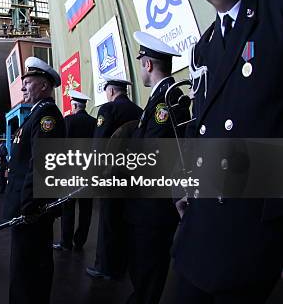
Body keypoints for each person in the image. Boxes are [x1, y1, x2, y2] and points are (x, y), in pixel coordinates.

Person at [163, 0, 283, 303]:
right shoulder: (204, 48)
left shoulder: (275, 11)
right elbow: (204, 123)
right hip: (201, 224)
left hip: (255, 224)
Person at [123, 32, 190, 304]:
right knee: (142, 265)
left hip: (155, 206)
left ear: (148, 65)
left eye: (141, 63)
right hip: (147, 204)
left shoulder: (165, 102)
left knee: (149, 268)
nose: (141, 69)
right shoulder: (159, 98)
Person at [3, 57, 65, 304]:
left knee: (29, 269)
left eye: (27, 82)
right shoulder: (36, 114)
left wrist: (28, 206)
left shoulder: (47, 116)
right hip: (26, 207)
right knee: (23, 267)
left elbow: (42, 165)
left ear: (43, 86)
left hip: (31, 211)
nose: (23, 87)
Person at [87, 75, 142, 280]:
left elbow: (99, 144)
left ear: (110, 91)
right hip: (133, 174)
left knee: (109, 221)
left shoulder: (108, 109)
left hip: (111, 175)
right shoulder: (139, 111)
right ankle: (123, 264)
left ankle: (105, 267)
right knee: (125, 220)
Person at [53, 90, 95, 252]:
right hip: (88, 172)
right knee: (86, 209)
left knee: (67, 208)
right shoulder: (93, 122)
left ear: (75, 105)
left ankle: (66, 242)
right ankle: (80, 241)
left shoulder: (68, 121)